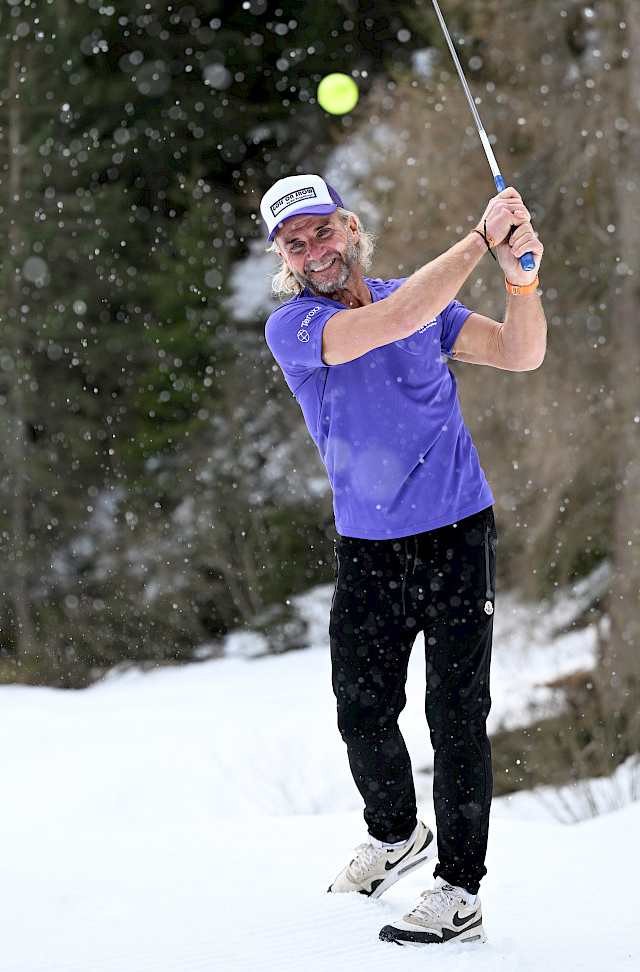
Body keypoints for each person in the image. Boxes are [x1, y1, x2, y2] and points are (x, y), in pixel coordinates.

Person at [260, 173, 546, 946]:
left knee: (456, 718)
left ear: (350, 229)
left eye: (323, 231)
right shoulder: (295, 326)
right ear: (282, 258)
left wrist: (522, 280)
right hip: (369, 550)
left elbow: (521, 353)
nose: (314, 249)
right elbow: (396, 320)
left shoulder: (418, 301)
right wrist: (480, 240)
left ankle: (459, 890)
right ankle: (394, 835)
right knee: (361, 710)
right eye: (296, 242)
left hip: (458, 537)